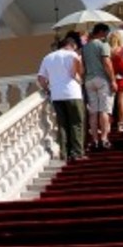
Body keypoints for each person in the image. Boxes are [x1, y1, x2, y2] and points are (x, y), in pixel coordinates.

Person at [37, 32, 86, 162]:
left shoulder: (47, 57)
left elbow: (41, 78)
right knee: (76, 123)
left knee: (62, 124)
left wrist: (48, 90)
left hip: (56, 95)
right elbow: (78, 72)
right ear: (72, 45)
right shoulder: (73, 55)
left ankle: (64, 153)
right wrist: (79, 61)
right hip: (73, 93)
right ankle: (77, 153)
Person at [81, 23, 115, 150]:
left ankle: (94, 139)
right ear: (101, 32)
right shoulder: (103, 45)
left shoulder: (85, 48)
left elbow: (83, 67)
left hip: (89, 80)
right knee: (104, 110)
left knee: (93, 112)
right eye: (106, 33)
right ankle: (104, 139)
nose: (106, 35)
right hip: (102, 78)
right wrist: (113, 80)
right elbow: (107, 63)